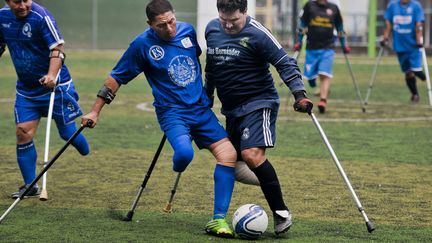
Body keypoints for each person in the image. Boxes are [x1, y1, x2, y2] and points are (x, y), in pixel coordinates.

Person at [81, 0, 237, 238]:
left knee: (228, 155)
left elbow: (196, 63)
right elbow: (116, 78)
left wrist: (208, 92)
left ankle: (218, 220)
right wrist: (95, 111)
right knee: (185, 155)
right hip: (172, 112)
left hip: (200, 110)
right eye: (162, 25)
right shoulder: (141, 45)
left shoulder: (187, 31)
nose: (170, 28)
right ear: (150, 24)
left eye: (171, 21)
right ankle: (179, 162)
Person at [205, 0, 313, 235]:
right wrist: (207, 94)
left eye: (234, 20)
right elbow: (211, 67)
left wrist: (299, 95)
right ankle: (269, 182)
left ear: (245, 12)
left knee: (251, 154)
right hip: (231, 108)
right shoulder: (212, 30)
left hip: (259, 102)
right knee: (229, 161)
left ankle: (281, 212)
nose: (228, 25)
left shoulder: (258, 33)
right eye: (224, 19)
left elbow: (285, 63)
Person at [0, 0, 90, 198]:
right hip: (26, 90)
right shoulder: (2, 17)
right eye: (17, 1)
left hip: (55, 88)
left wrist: (51, 75)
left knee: (67, 133)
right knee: (23, 132)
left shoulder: (42, 17)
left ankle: (84, 146)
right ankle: (30, 185)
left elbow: (57, 48)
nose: (23, 5)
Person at [294, 0, 351, 113]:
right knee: (310, 79)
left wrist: (344, 44)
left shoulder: (334, 8)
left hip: (328, 47)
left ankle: (323, 100)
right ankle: (314, 83)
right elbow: (302, 23)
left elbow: (340, 27)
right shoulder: (309, 6)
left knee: (324, 74)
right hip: (311, 47)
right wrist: (300, 42)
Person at [382, 0, 426, 104]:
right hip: (400, 45)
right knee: (408, 72)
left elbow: (419, 23)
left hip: (413, 45)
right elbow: (388, 22)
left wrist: (419, 38)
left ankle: (426, 79)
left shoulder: (416, 6)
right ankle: (415, 95)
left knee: (416, 70)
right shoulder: (393, 5)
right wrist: (385, 37)